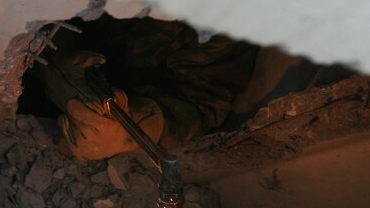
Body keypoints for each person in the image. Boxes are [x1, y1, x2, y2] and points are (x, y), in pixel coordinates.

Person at [32, 15, 352, 161]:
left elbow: (201, 102)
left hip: (126, 82)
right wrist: (50, 64)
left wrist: (142, 125)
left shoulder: (220, 14)